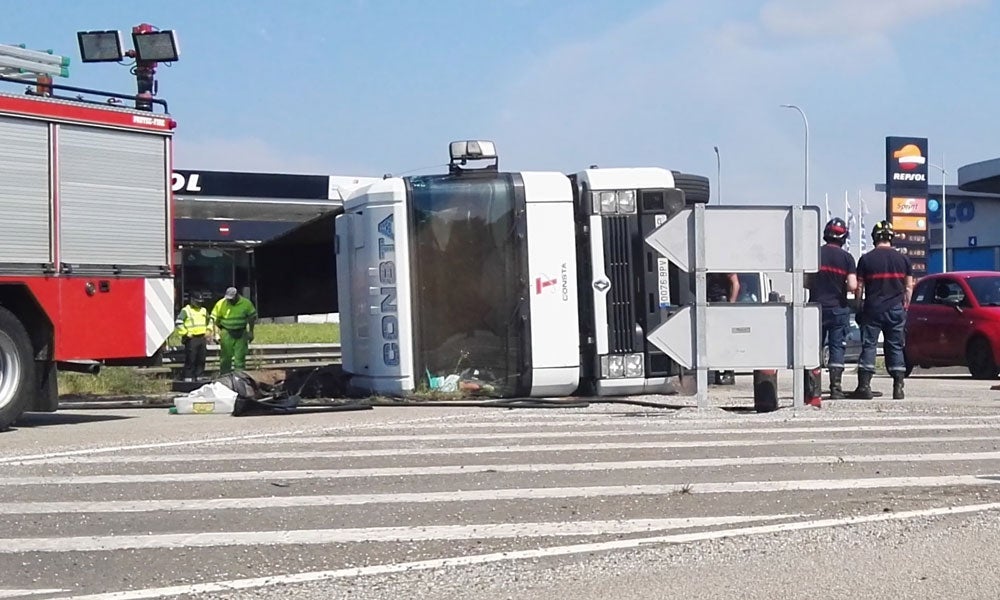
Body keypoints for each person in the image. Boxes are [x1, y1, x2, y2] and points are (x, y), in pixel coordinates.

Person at [850, 221, 914, 400]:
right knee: (895, 346)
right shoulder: (903, 260)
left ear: (874, 237)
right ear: (891, 237)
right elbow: (909, 287)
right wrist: (905, 308)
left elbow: (859, 288)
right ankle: (898, 386)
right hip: (896, 309)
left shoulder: (866, 259)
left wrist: (858, 307)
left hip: (873, 309)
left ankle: (864, 386)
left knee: (869, 345)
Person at [807, 218, 858, 399]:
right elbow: (852, 285)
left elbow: (805, 282)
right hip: (838, 308)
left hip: (815, 308)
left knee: (813, 347)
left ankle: (812, 389)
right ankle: (836, 388)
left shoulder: (815, 254)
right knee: (837, 347)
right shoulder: (847, 258)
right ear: (844, 237)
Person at [209, 287, 258, 375]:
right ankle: (224, 376)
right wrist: (216, 333)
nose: (229, 300)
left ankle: (239, 377)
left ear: (236, 296)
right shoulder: (221, 303)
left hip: (241, 332)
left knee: (240, 357)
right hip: (227, 332)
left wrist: (251, 331)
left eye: (231, 298)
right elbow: (215, 320)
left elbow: (252, 318)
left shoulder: (246, 303)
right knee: (225, 358)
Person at [706, 272, 740, 385]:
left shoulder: (723, 265)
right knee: (711, 340)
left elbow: (735, 283)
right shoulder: (706, 265)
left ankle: (728, 373)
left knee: (724, 339)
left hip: (721, 302)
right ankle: (713, 373)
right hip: (709, 302)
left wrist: (731, 304)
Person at [174, 292, 211, 382]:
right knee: (191, 358)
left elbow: (210, 321)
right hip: (191, 338)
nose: (199, 304)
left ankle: (199, 376)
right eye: (197, 302)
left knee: (201, 358)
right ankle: (188, 376)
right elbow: (178, 322)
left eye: (200, 302)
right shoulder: (186, 310)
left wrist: (208, 330)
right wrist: (185, 333)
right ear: (192, 300)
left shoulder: (203, 310)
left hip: (202, 337)